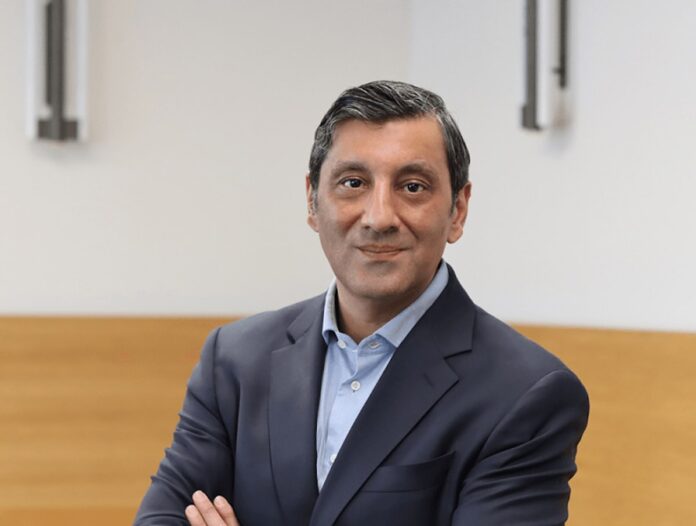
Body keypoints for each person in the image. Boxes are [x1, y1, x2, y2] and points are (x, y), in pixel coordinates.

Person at [134, 80, 589, 526]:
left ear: (458, 209)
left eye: (413, 187)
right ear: (312, 201)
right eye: (353, 182)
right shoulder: (234, 360)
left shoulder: (527, 394)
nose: (379, 217)